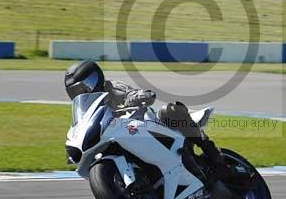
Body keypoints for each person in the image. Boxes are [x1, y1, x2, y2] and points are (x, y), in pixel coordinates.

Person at [63, 60, 228, 182]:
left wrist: (137, 96)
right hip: (119, 139)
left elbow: (131, 94)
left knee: (170, 110)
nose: (80, 92)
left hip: (144, 126)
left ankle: (213, 154)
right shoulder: (86, 109)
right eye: (75, 91)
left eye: (82, 87)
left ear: (94, 78)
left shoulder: (112, 88)